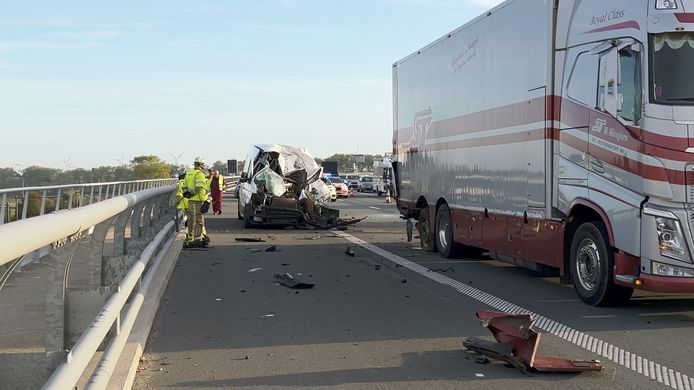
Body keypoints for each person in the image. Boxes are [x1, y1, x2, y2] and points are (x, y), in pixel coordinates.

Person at [182, 157, 210, 248]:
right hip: (197, 200)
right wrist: (192, 193)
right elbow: (199, 188)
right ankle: (195, 239)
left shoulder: (189, 173)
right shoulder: (200, 174)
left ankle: (195, 237)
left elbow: (184, 187)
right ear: (201, 165)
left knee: (192, 219)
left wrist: (187, 194)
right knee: (197, 220)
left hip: (191, 201)